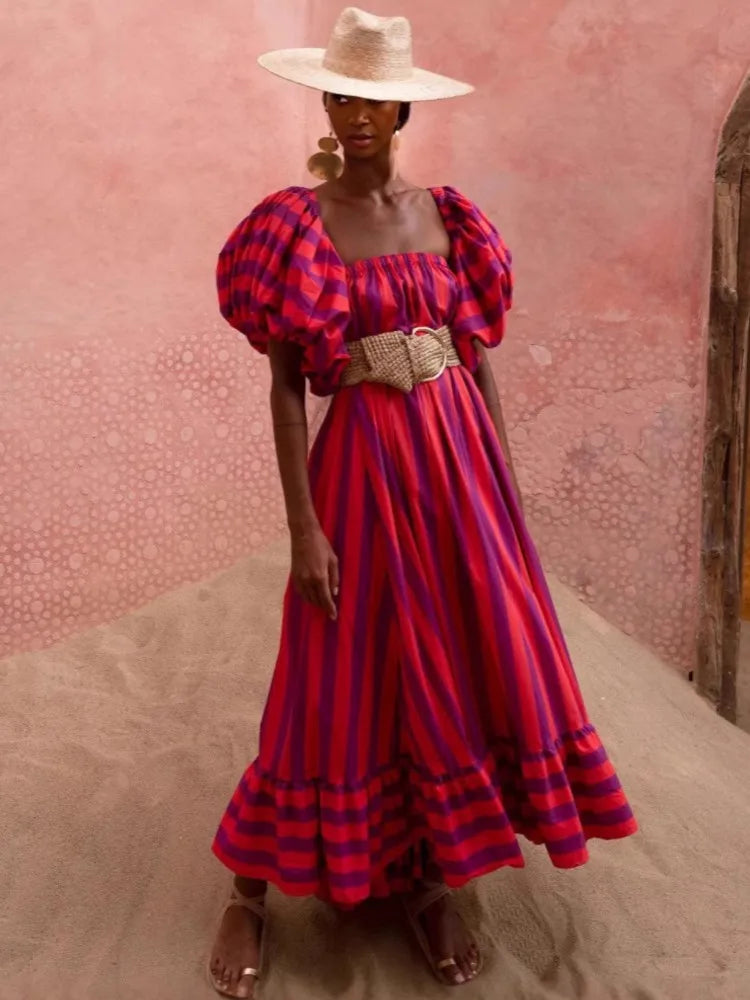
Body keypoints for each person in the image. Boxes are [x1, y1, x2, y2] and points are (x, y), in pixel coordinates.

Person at [208, 7, 638, 996]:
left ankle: (428, 875)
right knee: (335, 669)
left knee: (465, 655)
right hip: (358, 466)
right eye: (340, 94)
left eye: (371, 97)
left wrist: (506, 492)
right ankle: (248, 887)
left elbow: (475, 359)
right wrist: (303, 529)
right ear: (328, 101)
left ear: (402, 105)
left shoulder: (452, 215)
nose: (355, 112)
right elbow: (285, 385)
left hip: (460, 469)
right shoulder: (294, 223)